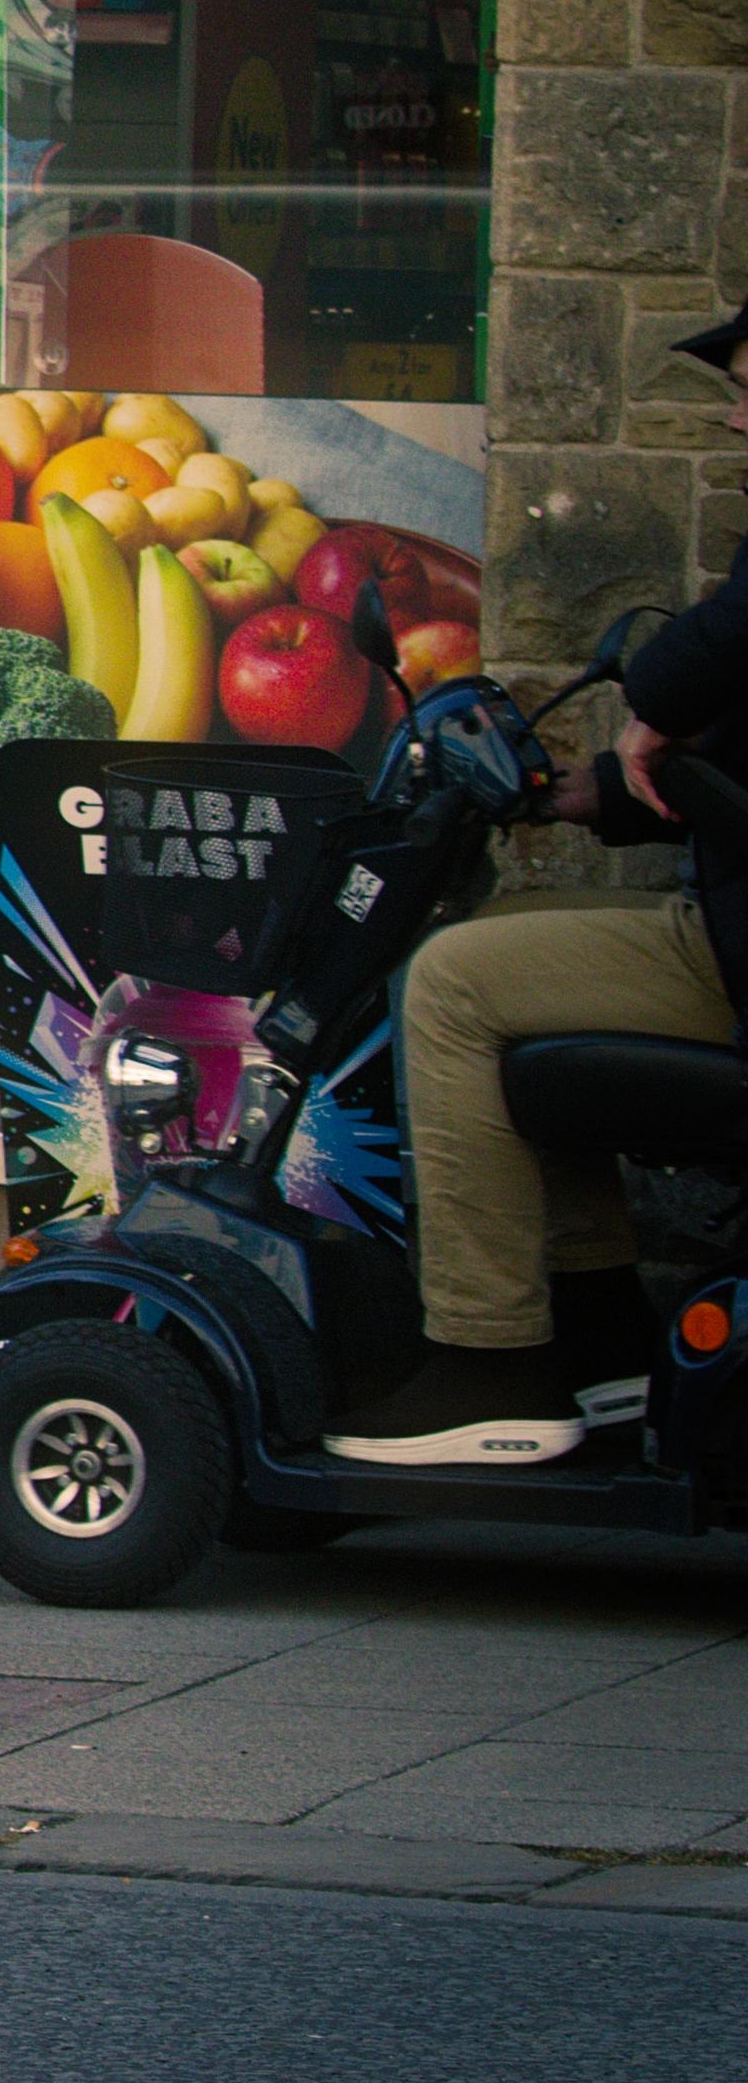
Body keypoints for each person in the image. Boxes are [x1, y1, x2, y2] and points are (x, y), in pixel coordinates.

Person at [343, 299, 748, 1466]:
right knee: (520, 936)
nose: (730, 409)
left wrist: (645, 721)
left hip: (729, 954)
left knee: (451, 980)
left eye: (743, 383)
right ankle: (599, 1334)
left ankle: (488, 1360)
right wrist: (581, 797)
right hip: (723, 927)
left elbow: (688, 667)